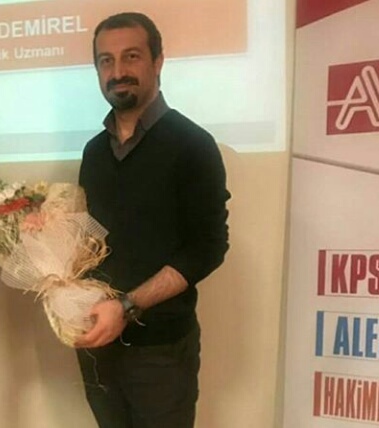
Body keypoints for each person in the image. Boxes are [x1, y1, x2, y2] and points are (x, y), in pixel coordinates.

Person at [74, 12, 231, 428]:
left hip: (161, 351)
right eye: (106, 61)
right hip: (98, 345)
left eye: (131, 56)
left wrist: (127, 305)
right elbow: (90, 242)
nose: (117, 72)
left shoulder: (193, 145)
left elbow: (208, 247)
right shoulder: (94, 152)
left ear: (158, 61)